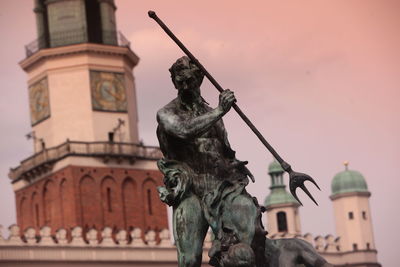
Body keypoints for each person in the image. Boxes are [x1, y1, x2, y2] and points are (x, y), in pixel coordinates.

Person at [156, 56, 265, 267]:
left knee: (249, 239)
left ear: (200, 79)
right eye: (179, 82)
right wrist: (219, 110)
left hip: (221, 187)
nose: (185, 86)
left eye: (189, 80)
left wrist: (234, 165)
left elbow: (220, 149)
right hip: (190, 189)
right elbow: (184, 130)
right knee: (189, 260)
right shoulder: (166, 113)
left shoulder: (210, 113)